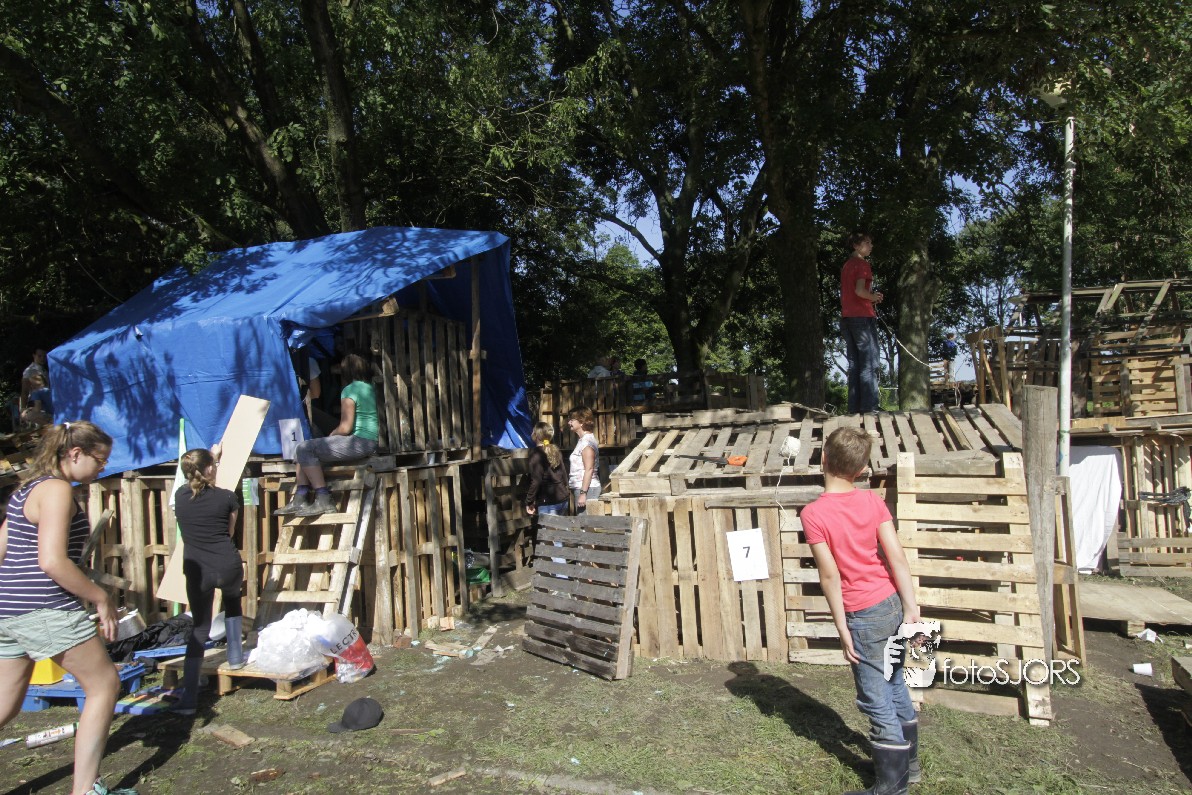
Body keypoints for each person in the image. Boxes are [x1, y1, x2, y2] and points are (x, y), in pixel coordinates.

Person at [0, 421, 138, 795]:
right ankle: (85, 789)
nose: (102, 468)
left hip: (8, 610)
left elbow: (1, 551)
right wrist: (101, 597)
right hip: (45, 607)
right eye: (100, 460)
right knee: (104, 684)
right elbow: (52, 562)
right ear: (75, 454)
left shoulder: (24, 491)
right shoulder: (57, 490)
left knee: (5, 705)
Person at [801, 427, 921, 794]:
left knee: (875, 697)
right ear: (862, 469)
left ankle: (892, 785)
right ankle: (909, 766)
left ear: (823, 459)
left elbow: (829, 575)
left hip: (862, 614)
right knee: (894, 680)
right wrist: (911, 608)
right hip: (891, 603)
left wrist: (842, 629)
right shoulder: (872, 501)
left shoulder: (813, 514)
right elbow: (896, 556)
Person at [171, 446, 245, 715]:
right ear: (210, 469)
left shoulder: (180, 497)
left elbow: (199, 480)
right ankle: (235, 659)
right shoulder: (228, 498)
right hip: (226, 564)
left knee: (200, 627)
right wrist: (216, 460)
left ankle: (189, 699)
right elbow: (229, 531)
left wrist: (212, 460)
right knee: (233, 605)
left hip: (197, 569)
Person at [276, 353, 379, 517]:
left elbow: (345, 428)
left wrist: (331, 435)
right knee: (302, 450)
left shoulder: (350, 389)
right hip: (369, 441)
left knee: (304, 448)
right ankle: (300, 497)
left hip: (360, 442)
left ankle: (323, 498)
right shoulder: (370, 387)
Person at [841, 232, 884, 415]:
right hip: (862, 317)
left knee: (855, 364)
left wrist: (869, 297)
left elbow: (851, 292)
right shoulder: (862, 264)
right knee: (870, 362)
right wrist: (873, 297)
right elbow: (860, 291)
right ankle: (869, 406)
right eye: (867, 242)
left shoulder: (847, 265)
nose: (871, 246)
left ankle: (854, 407)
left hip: (847, 317)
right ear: (856, 246)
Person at [523, 423, 569, 518]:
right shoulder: (556, 450)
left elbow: (536, 481)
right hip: (563, 499)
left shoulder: (536, 454)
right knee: (561, 527)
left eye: (533, 431)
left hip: (548, 502)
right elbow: (564, 475)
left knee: (548, 528)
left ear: (536, 435)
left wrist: (529, 501)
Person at [565, 407, 600, 513]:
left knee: (586, 522)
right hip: (582, 488)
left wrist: (583, 493)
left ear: (581, 422)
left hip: (588, 490)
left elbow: (589, 469)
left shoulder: (587, 442)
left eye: (572, 420)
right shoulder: (582, 440)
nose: (569, 423)